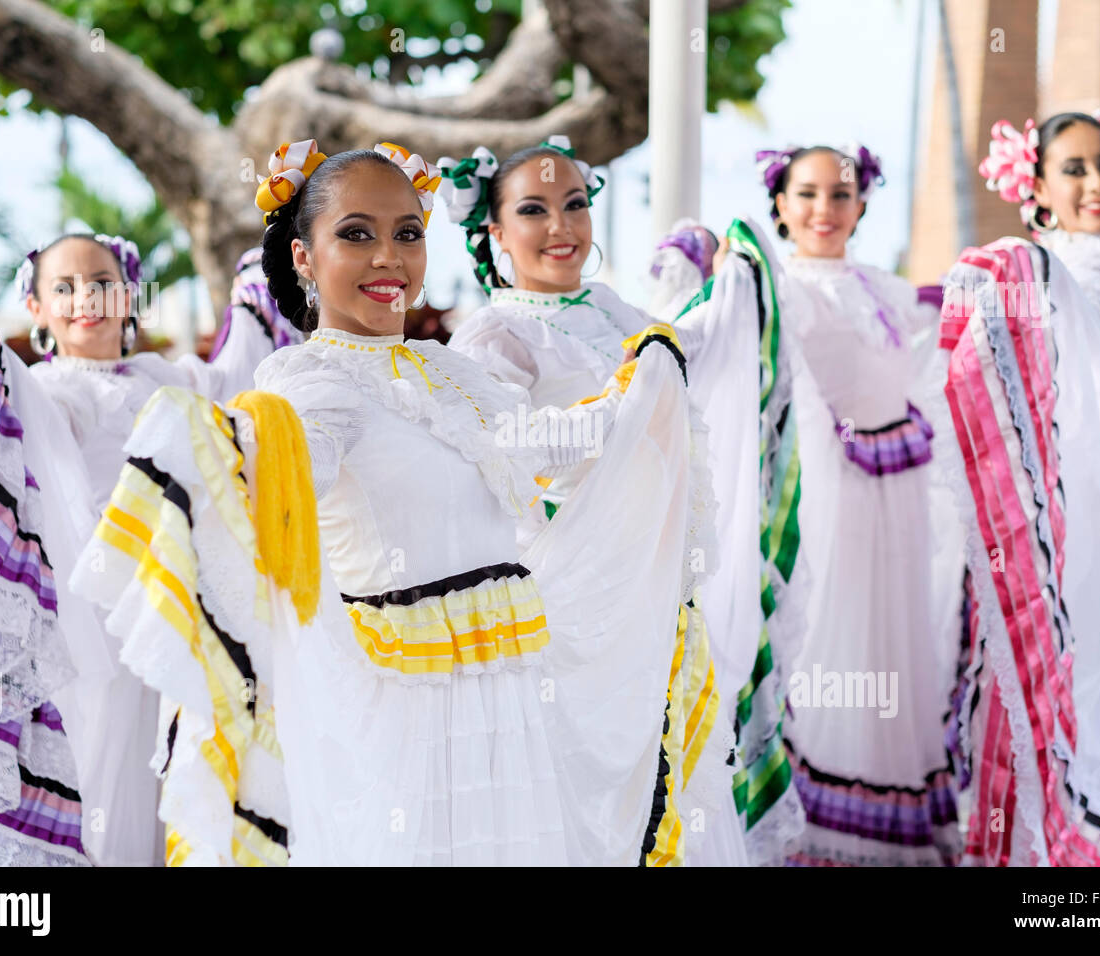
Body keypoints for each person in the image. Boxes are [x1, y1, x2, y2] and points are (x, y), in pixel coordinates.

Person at [72, 140, 708, 866]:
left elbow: (535, 441)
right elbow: (289, 469)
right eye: (356, 234)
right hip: (406, 709)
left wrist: (640, 386)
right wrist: (228, 451)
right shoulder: (307, 382)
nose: (388, 257)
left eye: (407, 233)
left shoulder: (445, 369)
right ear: (304, 258)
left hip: (508, 695)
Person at [439, 137, 805, 864]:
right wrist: (621, 407)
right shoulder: (494, 333)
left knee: (661, 766)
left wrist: (727, 283)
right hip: (568, 591)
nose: (561, 227)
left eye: (575, 204)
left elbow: (684, 354)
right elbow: (504, 453)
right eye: (534, 210)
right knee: (581, 776)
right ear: (495, 232)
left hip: (654, 581)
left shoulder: (611, 309)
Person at [0, 237, 291, 865]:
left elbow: (242, 371)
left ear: (130, 295)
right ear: (36, 306)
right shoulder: (39, 394)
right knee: (99, 776)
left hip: (179, 621)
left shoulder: (173, 377)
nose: (87, 298)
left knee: (170, 777)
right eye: (66, 287)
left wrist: (262, 264)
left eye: (103, 282)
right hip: (91, 630)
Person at [943, 111, 1100, 866]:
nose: (1097, 182)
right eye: (1075, 168)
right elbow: (1051, 352)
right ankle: (1090, 881)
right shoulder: (1073, 274)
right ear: (1039, 188)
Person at [758, 143, 965, 865]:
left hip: (898, 486)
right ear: (779, 203)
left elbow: (933, 326)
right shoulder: (769, 286)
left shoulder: (882, 286)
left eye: (841, 194)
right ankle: (817, 822)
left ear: (863, 203)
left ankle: (889, 805)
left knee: (891, 630)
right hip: (826, 485)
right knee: (826, 629)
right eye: (807, 193)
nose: (824, 209)